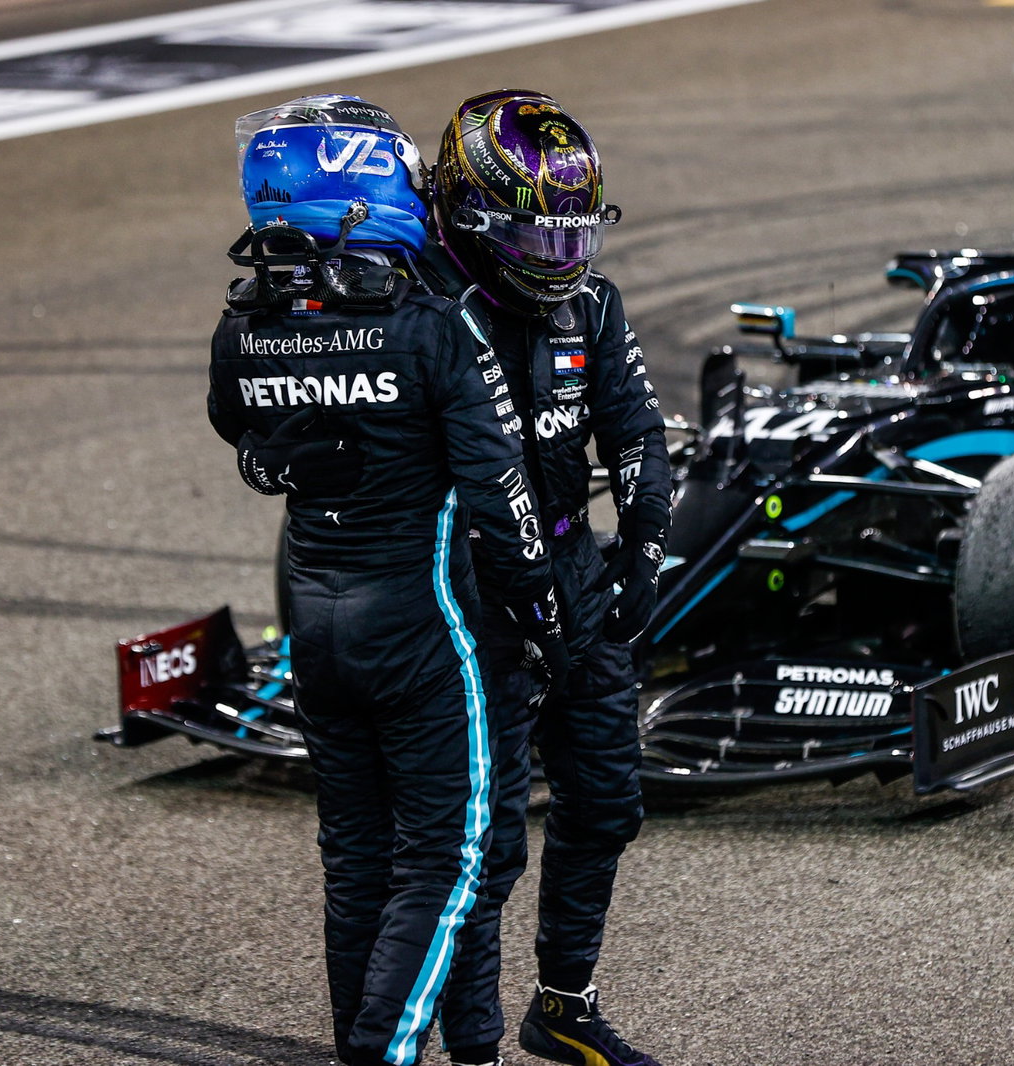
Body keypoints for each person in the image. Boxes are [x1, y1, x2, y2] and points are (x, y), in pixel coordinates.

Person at [206, 94, 565, 1066]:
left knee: (356, 862)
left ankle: (373, 1044)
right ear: (365, 190)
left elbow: (240, 428)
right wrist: (541, 609)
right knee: (447, 866)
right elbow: (499, 493)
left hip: (312, 628)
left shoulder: (242, 331)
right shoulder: (435, 329)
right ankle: (382, 1054)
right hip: (421, 628)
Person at [424, 90, 672, 1066]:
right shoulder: (434, 322)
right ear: (475, 215)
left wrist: (645, 545)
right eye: (538, 232)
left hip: (572, 570)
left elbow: (641, 433)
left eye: (575, 235)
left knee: (609, 799)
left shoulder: (592, 307)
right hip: (473, 592)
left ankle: (562, 1006)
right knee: (485, 849)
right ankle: (471, 1044)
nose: (559, 258)